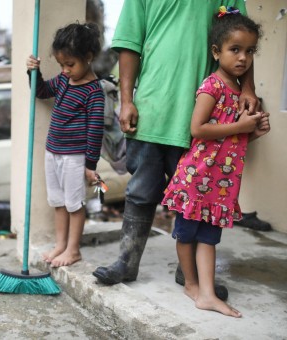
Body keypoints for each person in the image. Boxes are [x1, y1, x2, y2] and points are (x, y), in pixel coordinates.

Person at [92, 1, 259, 296]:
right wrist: (127, 100)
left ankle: (189, 275)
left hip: (206, 116)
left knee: (198, 195)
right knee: (141, 192)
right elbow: (130, 43)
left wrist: (247, 89)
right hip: (154, 108)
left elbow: (241, 37)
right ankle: (126, 262)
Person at [161, 9, 269, 317]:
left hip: (220, 186)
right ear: (216, 52)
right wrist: (239, 127)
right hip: (197, 178)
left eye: (249, 51)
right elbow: (198, 130)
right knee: (186, 233)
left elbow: (232, 141)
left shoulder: (242, 94)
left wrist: (255, 132)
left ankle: (206, 293)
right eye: (235, 49)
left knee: (209, 238)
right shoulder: (213, 86)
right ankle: (191, 284)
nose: (242, 58)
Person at [26, 22, 105, 267]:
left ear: (88, 57)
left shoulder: (94, 92)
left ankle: (73, 250)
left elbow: (95, 131)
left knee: (74, 204)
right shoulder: (62, 80)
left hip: (74, 158)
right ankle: (60, 244)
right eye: (62, 65)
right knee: (58, 202)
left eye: (70, 64)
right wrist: (33, 72)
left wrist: (90, 165)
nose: (66, 70)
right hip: (53, 152)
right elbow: (40, 91)